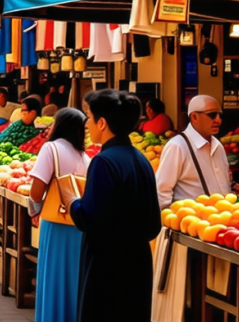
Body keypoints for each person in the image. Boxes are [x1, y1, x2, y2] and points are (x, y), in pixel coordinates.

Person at [67, 90, 160, 322]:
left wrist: (72, 203)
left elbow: (91, 216)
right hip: (138, 260)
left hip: (107, 262)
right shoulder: (141, 159)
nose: (87, 124)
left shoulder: (104, 161)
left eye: (89, 117)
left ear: (102, 122)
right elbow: (154, 223)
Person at [152, 95, 229, 322]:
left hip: (220, 231)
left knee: (215, 292)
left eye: (219, 115)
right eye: (212, 115)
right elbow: (161, 193)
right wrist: (171, 229)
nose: (218, 120)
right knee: (189, 297)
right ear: (194, 117)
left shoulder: (218, 146)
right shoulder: (177, 147)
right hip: (189, 234)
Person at [26, 108, 90, 322]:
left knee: (54, 278)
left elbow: (36, 190)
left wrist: (35, 207)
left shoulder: (51, 148)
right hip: (80, 225)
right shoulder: (85, 156)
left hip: (56, 223)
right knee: (74, 280)